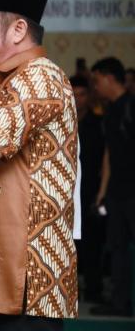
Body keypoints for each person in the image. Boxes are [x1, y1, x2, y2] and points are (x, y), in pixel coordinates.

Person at [0, 0, 78, 330]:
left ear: (18, 30)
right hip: (3, 281)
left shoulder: (40, 76)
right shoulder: (11, 79)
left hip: (26, 285)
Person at [90, 57, 135, 317]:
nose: (96, 87)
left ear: (108, 78)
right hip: (117, 193)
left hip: (133, 192)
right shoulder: (109, 111)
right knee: (117, 248)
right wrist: (102, 192)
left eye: (97, 81)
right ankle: (120, 303)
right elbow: (109, 153)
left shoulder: (131, 105)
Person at [70, 75, 105, 303]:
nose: (77, 99)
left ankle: (94, 291)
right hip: (69, 191)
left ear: (89, 96)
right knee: (71, 244)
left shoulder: (98, 123)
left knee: (93, 244)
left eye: (82, 94)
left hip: (92, 190)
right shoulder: (64, 120)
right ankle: (72, 291)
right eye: (74, 93)